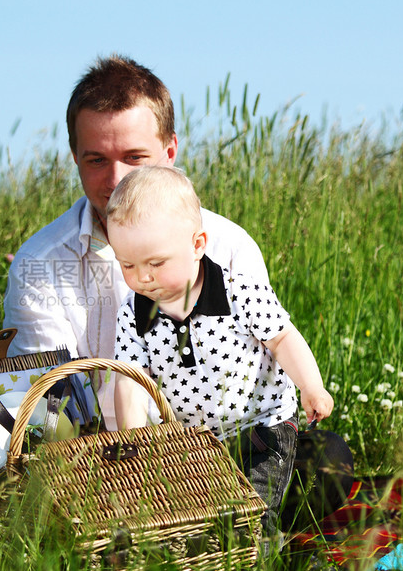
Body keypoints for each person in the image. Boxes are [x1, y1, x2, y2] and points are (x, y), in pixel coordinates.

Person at [1, 55, 269, 427]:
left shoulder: (230, 247)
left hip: (216, 451)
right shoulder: (39, 264)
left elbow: (249, 389)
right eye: (96, 160)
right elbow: (53, 413)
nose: (117, 179)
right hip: (99, 464)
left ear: (170, 152)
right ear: (75, 157)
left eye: (134, 157)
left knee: (325, 455)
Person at [106, 165, 335, 544]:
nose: (141, 277)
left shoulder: (238, 291)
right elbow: (131, 382)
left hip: (261, 428)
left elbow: (282, 338)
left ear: (197, 246)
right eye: (127, 265)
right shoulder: (133, 313)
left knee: (251, 514)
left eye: (156, 263)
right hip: (195, 443)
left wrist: (311, 387)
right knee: (197, 522)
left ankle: (269, 551)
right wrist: (136, 445)